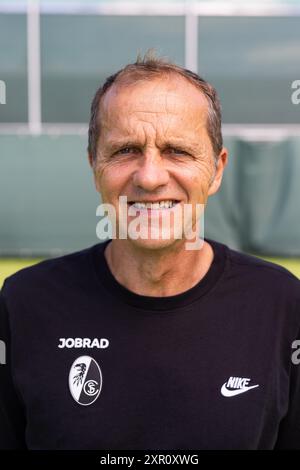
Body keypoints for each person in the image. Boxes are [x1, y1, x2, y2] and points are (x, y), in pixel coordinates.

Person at [0, 51, 300, 450]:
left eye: (177, 150)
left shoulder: (281, 305)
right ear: (94, 165)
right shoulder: (24, 304)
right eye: (125, 151)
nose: (151, 177)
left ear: (217, 169)